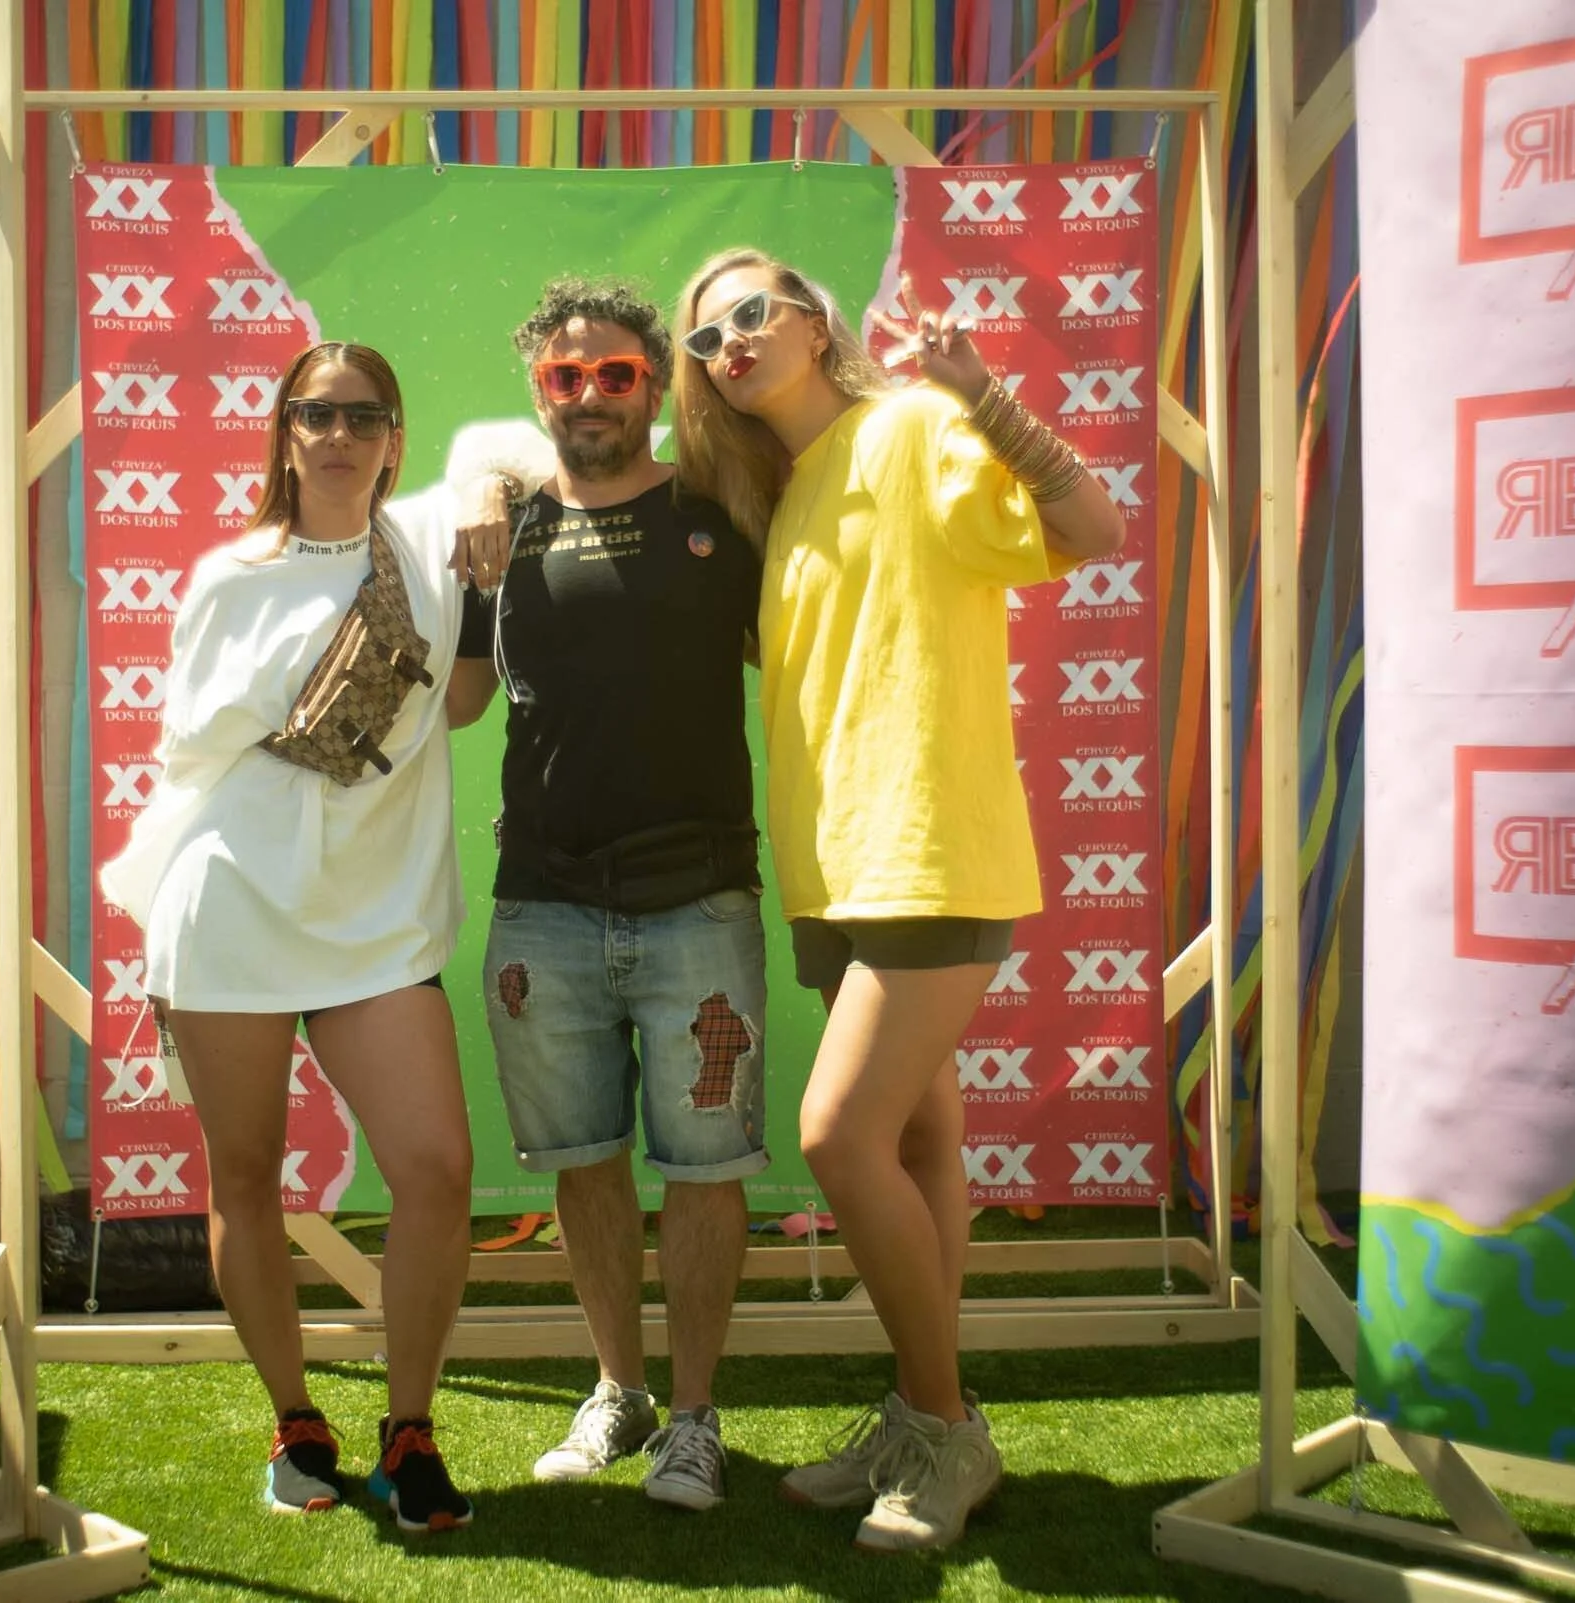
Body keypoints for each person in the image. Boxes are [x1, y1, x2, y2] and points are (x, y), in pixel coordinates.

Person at [671, 251, 1126, 1551]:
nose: (730, 341)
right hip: (836, 865)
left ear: (815, 324)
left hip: (930, 845)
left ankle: (945, 1426)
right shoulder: (781, 495)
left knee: (838, 1136)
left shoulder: (918, 424)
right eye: (705, 336)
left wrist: (984, 396)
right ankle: (918, 1414)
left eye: (751, 312)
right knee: (920, 1139)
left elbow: (1091, 530)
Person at [99, 341, 504, 1533]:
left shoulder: (429, 542)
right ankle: (295, 1422)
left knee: (436, 1168)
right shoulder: (229, 575)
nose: (339, 435)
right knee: (245, 1175)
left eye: (365, 416)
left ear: (395, 439)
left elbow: (507, 447)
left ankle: (410, 1428)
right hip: (233, 901)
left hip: (375, 918)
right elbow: (193, 752)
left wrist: (488, 488)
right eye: (317, 414)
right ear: (284, 432)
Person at [443, 278, 767, 1511]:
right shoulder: (499, 529)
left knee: (704, 1168)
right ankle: (618, 1390)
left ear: (654, 384)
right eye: (564, 376)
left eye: (616, 374)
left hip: (701, 901)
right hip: (544, 902)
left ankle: (694, 1418)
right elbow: (458, 700)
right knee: (582, 1162)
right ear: (538, 390)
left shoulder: (716, 507)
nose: (589, 395)